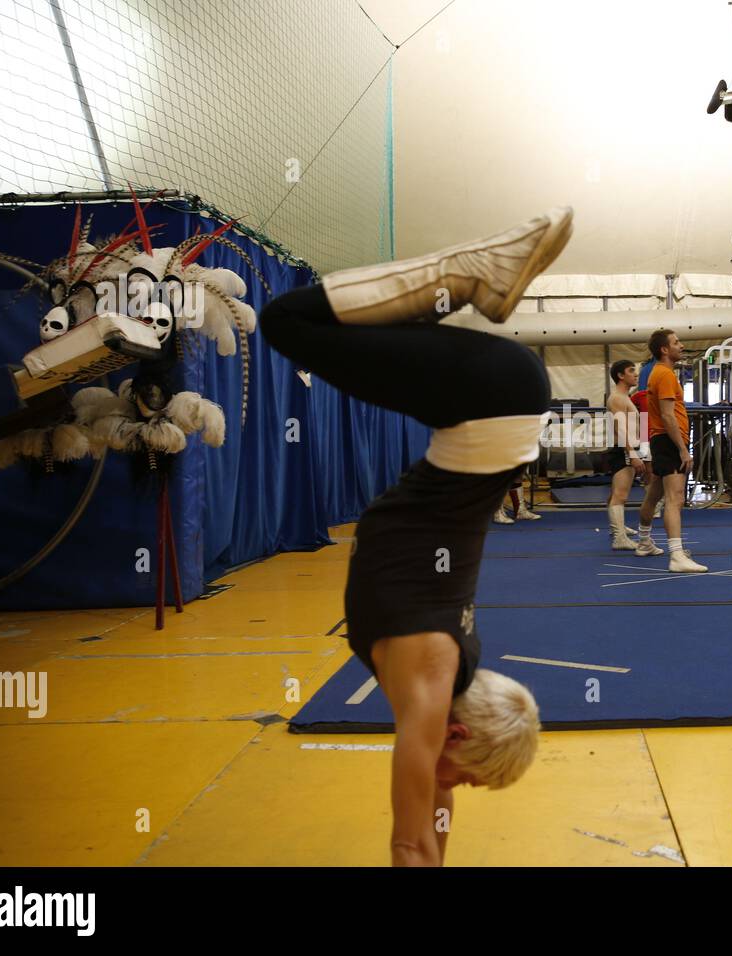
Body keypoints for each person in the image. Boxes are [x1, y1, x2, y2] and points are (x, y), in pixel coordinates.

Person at [259, 206, 573, 865]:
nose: (453, 785)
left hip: (498, 410)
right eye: (465, 773)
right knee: (284, 321)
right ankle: (471, 270)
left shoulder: (446, 672)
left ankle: (470, 283)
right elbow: (409, 843)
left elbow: (434, 804)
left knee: (317, 330)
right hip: (488, 407)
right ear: (455, 733)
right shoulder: (429, 678)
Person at [636, 329, 707, 572]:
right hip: (668, 440)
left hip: (662, 440)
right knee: (675, 500)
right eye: (677, 342)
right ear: (664, 349)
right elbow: (667, 416)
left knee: (654, 494)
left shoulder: (660, 373)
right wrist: (683, 450)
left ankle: (644, 541)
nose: (682, 346)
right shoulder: (664, 374)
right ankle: (676, 556)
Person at [606, 359, 646, 549]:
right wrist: (632, 454)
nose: (635, 374)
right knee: (620, 495)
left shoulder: (626, 397)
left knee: (618, 493)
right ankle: (619, 538)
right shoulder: (617, 399)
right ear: (621, 376)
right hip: (623, 449)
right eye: (632, 371)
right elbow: (620, 429)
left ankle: (617, 528)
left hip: (628, 448)